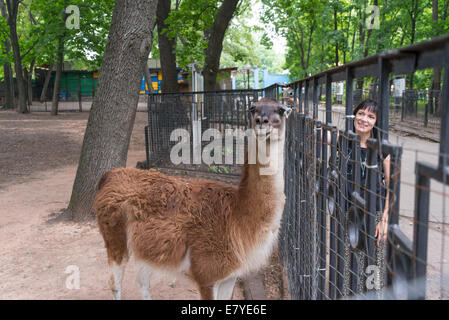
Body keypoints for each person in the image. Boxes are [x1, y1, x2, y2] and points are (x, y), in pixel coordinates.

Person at [329, 99, 390, 245]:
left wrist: (385, 220)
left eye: (371, 116)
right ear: (354, 116)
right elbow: (315, 131)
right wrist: (295, 103)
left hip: (372, 213)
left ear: (376, 122)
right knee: (346, 262)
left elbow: (393, 186)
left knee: (371, 264)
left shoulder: (382, 149)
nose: (364, 119)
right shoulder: (343, 139)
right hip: (346, 211)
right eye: (361, 113)